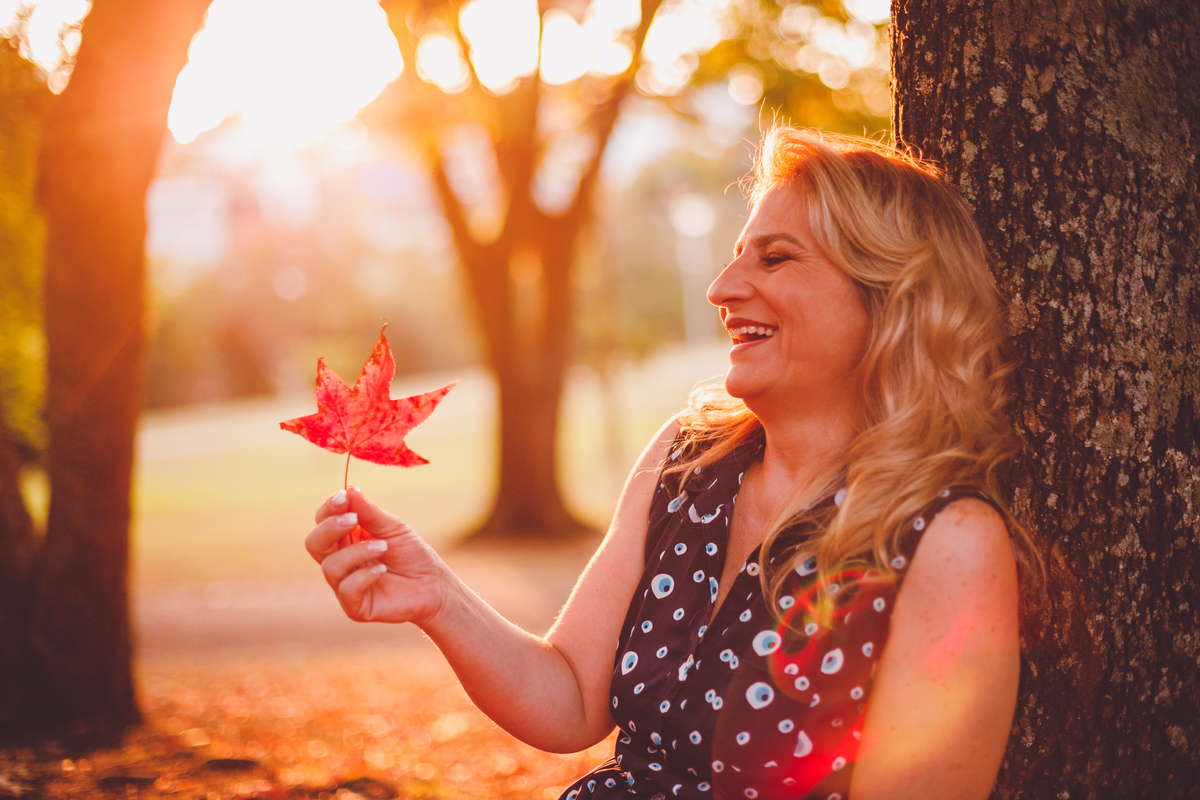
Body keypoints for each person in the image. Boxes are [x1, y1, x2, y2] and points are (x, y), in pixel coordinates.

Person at [304, 126, 1040, 800]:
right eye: (737, 254)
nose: (722, 289)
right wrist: (435, 596)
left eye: (776, 257)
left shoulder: (947, 542)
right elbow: (571, 696)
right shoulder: (689, 462)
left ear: (890, 297)